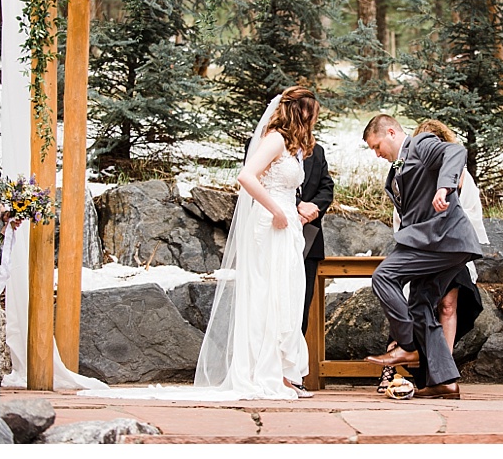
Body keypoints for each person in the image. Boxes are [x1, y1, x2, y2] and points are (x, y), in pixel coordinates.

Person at [79, 86, 321, 401]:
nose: (314, 119)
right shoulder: (275, 138)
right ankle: (265, 373)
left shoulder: (291, 146)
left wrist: (292, 212)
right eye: (311, 112)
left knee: (285, 295)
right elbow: (246, 176)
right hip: (271, 222)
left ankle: (280, 372)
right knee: (268, 295)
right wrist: (275, 210)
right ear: (299, 111)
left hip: (287, 224)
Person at [361, 114, 483, 400]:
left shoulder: (420, 144)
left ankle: (406, 346)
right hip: (432, 243)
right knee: (419, 304)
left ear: (391, 132)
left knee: (384, 276)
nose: (377, 154)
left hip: (442, 240)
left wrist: (445, 187)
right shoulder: (398, 166)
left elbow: (455, 151)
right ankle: (445, 381)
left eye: (377, 146)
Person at [297, 142, 335, 338]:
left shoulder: (317, 150)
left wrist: (309, 213)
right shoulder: (262, 144)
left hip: (309, 238)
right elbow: (261, 185)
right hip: (274, 234)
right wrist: (297, 206)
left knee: (301, 308)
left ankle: (292, 365)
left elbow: (327, 188)